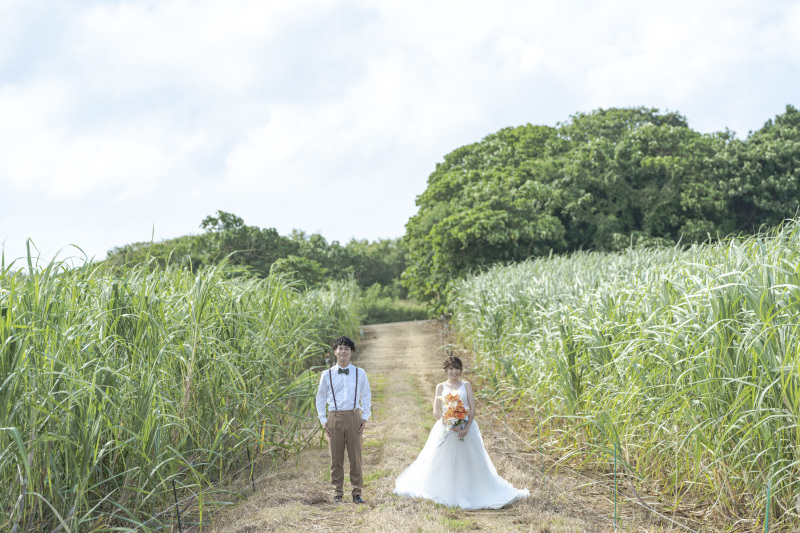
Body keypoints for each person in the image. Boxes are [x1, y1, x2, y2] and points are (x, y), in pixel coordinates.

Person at [393, 355, 529, 509]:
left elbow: (472, 408)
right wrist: (448, 424)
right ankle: (445, 490)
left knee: (470, 461)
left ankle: (472, 490)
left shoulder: (466, 385)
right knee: (442, 460)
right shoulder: (441, 387)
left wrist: (467, 427)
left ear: (460, 370)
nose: (454, 372)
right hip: (447, 428)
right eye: (451, 368)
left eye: (457, 368)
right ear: (446, 370)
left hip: (465, 428)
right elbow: (436, 411)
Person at [315, 335, 372, 503]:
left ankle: (357, 492)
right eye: (340, 348)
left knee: (356, 457)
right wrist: (323, 419)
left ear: (351, 352)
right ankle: (337, 492)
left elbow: (367, 396)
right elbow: (320, 398)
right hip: (334, 417)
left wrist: (365, 417)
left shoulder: (360, 373)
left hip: (354, 416)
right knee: (336, 457)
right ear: (335, 352)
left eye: (347, 348)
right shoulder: (327, 374)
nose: (343, 351)